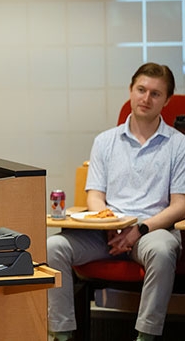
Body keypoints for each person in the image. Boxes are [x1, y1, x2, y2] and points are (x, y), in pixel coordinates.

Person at [47, 62, 185, 341]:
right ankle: (60, 334)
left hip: (151, 230)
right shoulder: (105, 141)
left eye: (155, 94)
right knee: (53, 247)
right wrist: (110, 226)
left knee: (163, 250)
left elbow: (179, 204)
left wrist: (138, 230)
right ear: (131, 91)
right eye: (141, 90)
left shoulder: (178, 144)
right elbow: (95, 196)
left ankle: (146, 335)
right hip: (105, 233)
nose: (146, 99)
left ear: (167, 100)